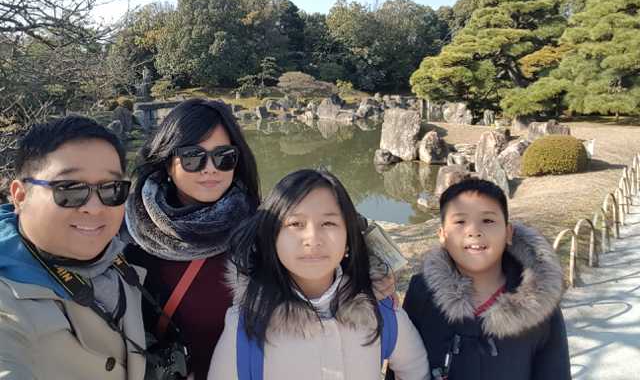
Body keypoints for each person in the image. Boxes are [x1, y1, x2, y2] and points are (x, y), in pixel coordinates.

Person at [208, 169, 429, 380]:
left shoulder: (380, 310)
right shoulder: (245, 326)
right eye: (295, 223)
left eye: (328, 223)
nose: (313, 238)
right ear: (271, 238)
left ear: (348, 240)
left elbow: (415, 368)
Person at [0, 116, 147, 379]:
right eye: (69, 189)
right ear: (20, 196)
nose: (94, 207)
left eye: (111, 189)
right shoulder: (7, 299)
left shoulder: (119, 256)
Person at [124, 99, 260, 380]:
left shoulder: (260, 231)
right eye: (192, 156)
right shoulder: (123, 233)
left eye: (224, 157)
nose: (210, 168)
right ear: (166, 162)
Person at [387, 178, 570, 380]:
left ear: (508, 232)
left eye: (488, 220)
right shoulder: (422, 292)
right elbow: (401, 366)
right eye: (460, 222)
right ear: (442, 235)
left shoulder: (540, 304)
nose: (474, 231)